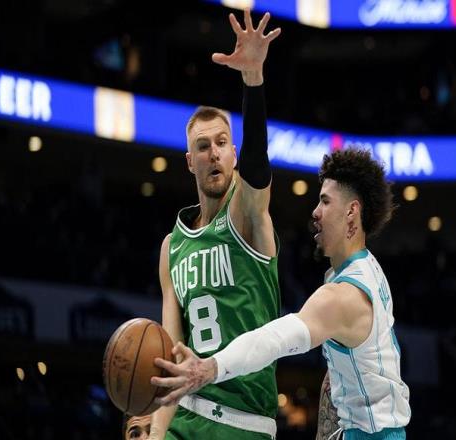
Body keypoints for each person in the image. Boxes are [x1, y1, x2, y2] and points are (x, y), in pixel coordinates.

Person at [152, 148, 412, 440]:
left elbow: (274, 339)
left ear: (351, 211)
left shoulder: (343, 296)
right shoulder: (368, 270)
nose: (315, 211)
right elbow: (343, 372)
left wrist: (210, 368)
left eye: (325, 201)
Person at [149, 9, 282, 440]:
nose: (214, 153)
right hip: (186, 415)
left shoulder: (247, 215)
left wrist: (253, 80)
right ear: (190, 161)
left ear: (234, 154)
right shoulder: (172, 247)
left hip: (242, 423)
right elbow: (173, 356)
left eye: (223, 143)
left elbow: (259, 169)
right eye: (203, 146)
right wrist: (156, 432)